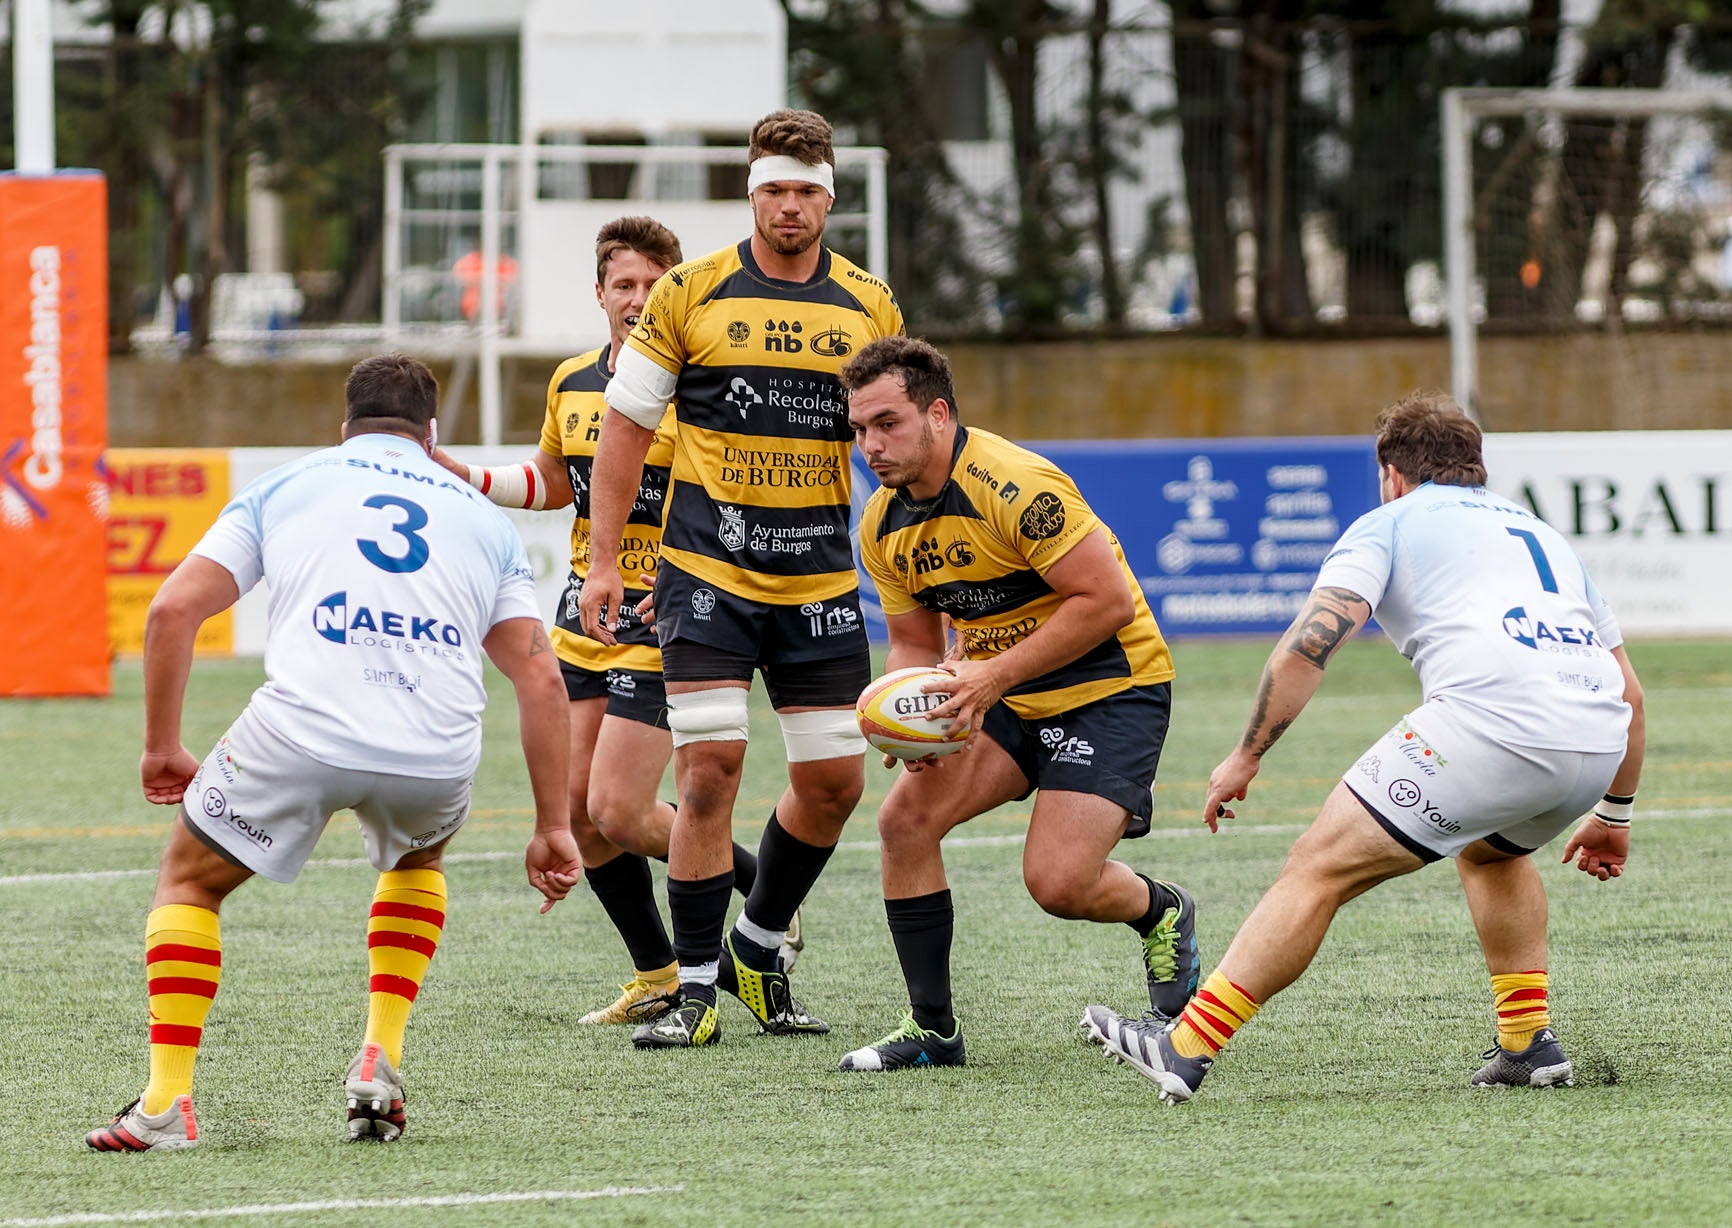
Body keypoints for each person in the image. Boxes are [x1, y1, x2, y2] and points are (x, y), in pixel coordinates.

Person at [1085, 391, 1646, 1103]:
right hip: (1595, 734)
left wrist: (1246, 755)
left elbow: (1308, 646)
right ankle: (1527, 1043)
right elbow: (1629, 690)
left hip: (1493, 723)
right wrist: (1615, 815)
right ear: (1476, 468)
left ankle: (1186, 1045)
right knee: (1492, 851)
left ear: (1392, 473)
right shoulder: (1544, 536)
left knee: (1317, 867)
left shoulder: (1389, 522)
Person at [86, 355, 581, 1152]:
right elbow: (540, 676)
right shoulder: (484, 519)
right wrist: (553, 825)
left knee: (188, 878)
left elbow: (172, 612)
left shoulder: (289, 484)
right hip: (435, 749)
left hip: (303, 733)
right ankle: (380, 1057)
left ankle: (166, 1104)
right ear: (430, 435)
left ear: (343, 428)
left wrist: (160, 747)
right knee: (417, 864)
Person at [579, 109, 904, 1048]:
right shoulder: (692, 291)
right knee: (710, 771)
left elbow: (893, 435)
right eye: (775, 190)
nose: (790, 206)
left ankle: (757, 946)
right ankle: (694, 994)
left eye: (807, 191)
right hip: (705, 574)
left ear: (828, 197)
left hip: (818, 582)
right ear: (751, 191)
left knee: (835, 782)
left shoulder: (870, 305)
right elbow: (626, 430)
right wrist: (606, 560)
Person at [434, 217, 789, 1028]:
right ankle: (660, 974)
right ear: (599, 294)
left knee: (620, 810)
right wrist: (464, 475)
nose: (636, 300)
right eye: (621, 285)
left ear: (676, 291)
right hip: (583, 619)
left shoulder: (703, 382)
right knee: (578, 812)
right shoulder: (571, 382)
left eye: (651, 285)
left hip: (673, 617)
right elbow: (557, 482)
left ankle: (764, 891)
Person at [836, 335, 1196, 1071]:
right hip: (996, 692)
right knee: (904, 820)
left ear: (937, 414)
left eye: (887, 424)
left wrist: (990, 677)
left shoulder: (1015, 486)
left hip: (1110, 687)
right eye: (860, 430)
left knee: (1058, 884)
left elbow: (1106, 601)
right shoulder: (880, 525)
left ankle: (1163, 910)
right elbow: (911, 642)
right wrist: (915, 717)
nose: (870, 445)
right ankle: (933, 1031)